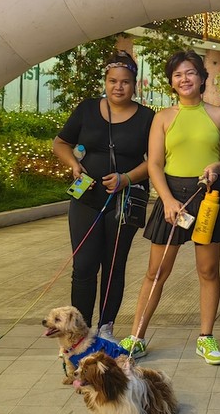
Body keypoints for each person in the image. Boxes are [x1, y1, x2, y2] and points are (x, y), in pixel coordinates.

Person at [120, 49, 220, 364]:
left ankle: (206, 338)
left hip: (208, 195)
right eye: (177, 75)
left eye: (190, 73)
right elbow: (155, 165)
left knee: (208, 270)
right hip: (171, 197)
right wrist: (168, 200)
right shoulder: (163, 118)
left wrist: (217, 166)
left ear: (202, 78)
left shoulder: (218, 115)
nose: (184, 79)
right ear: (172, 83)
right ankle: (137, 336)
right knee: (156, 271)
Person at [52, 50, 153, 342]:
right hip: (86, 197)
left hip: (125, 200)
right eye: (112, 81)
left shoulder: (147, 117)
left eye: (125, 82)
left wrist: (126, 178)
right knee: (84, 264)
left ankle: (106, 327)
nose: (118, 87)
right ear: (105, 82)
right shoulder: (86, 109)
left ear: (135, 85)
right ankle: (78, 330)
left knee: (113, 264)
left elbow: (156, 159)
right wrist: (73, 164)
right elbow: (60, 143)